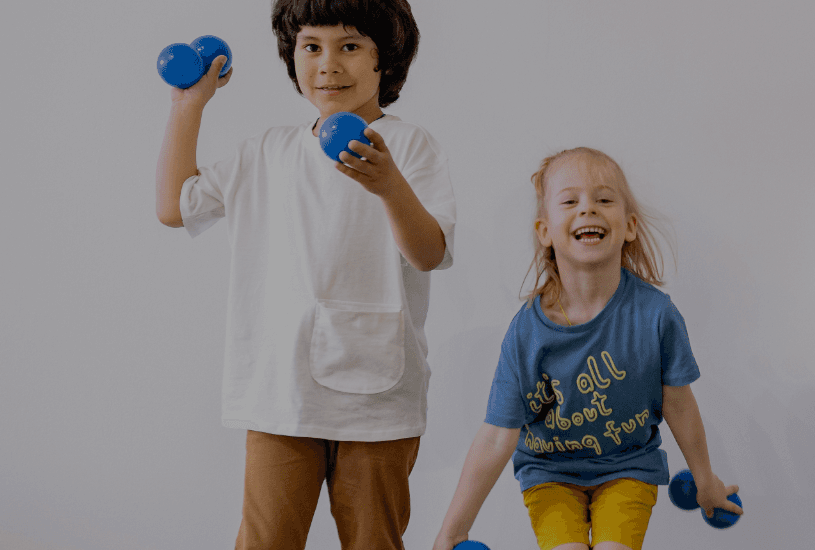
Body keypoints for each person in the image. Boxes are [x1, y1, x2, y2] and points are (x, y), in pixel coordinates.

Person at [152, 1, 452, 547]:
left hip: (378, 399)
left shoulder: (407, 147)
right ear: (293, 58)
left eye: (350, 46)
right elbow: (174, 206)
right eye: (311, 46)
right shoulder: (266, 152)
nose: (328, 64)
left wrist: (388, 186)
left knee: (373, 540)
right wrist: (187, 104)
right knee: (266, 540)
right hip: (279, 395)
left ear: (387, 59)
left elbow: (429, 252)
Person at [432, 148, 738, 550]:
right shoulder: (528, 331)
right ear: (545, 231)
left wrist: (706, 482)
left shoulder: (655, 315)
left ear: (629, 226)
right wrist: (454, 529)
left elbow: (678, 404)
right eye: (570, 201)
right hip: (550, 473)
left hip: (628, 467)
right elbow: (495, 437)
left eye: (604, 199)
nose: (588, 209)